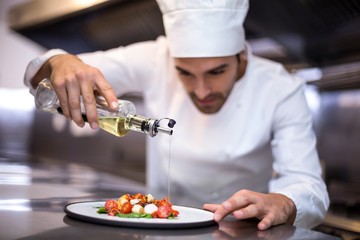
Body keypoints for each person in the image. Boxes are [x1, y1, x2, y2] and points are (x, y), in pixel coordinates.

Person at [24, 0, 329, 230]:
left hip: (241, 233)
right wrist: (60, 61)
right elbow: (43, 75)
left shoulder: (281, 88)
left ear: (241, 55)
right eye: (184, 72)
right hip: (158, 227)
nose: (200, 90)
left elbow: (308, 184)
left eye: (217, 71)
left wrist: (285, 201)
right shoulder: (155, 57)